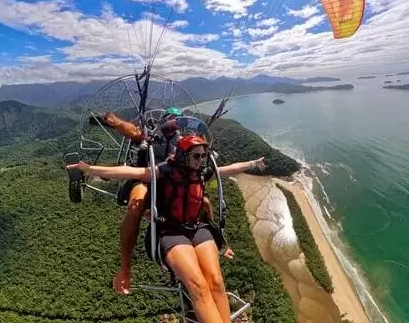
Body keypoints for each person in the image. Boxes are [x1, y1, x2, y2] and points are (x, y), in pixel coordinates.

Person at [67, 136, 266, 323]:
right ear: (184, 156)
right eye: (196, 156)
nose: (201, 160)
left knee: (216, 282)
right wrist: (88, 169)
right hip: (172, 232)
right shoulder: (164, 172)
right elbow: (127, 172)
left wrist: (253, 163)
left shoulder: (202, 173)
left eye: (203, 156)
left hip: (197, 228)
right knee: (198, 286)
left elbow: (228, 170)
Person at [95, 107, 184, 294]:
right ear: (165, 120)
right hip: (143, 178)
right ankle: (125, 268)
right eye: (172, 120)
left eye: (178, 121)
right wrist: (117, 122)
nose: (174, 125)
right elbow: (133, 132)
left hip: (168, 184)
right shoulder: (151, 135)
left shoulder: (183, 142)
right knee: (137, 203)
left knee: (200, 202)